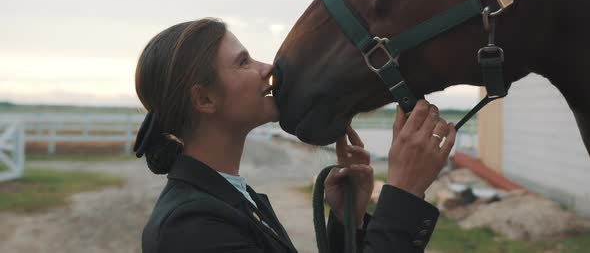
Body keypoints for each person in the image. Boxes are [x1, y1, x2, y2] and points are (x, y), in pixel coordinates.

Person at [135, 18, 456, 253]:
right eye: (243, 62)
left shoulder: (229, 199)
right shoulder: (192, 227)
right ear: (204, 100)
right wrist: (404, 192)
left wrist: (348, 220)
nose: (267, 68)